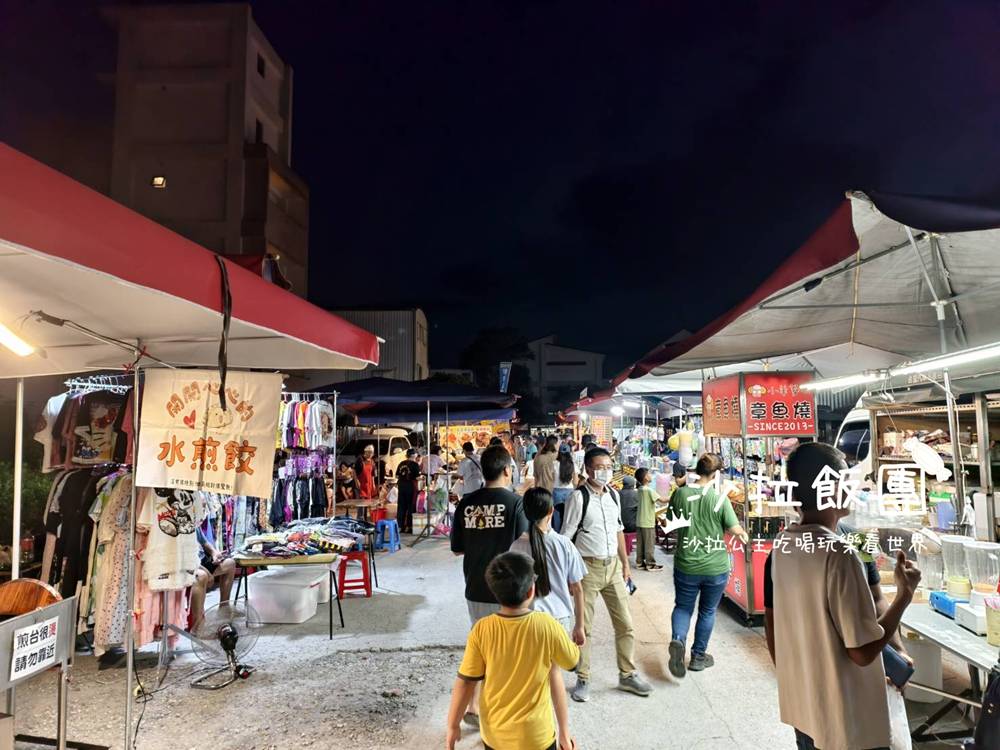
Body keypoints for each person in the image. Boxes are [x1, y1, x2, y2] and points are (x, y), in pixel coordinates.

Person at [766, 442, 920, 750]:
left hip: (806, 708)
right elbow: (861, 653)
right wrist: (905, 595)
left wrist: (896, 654)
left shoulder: (783, 546)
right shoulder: (840, 555)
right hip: (846, 718)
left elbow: (774, 632)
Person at [446, 551, 579, 750]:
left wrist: (452, 725)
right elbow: (572, 662)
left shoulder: (482, 629)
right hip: (537, 736)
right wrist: (564, 733)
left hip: (495, 737)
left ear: (494, 591)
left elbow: (466, 682)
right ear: (530, 591)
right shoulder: (547, 625)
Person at [560, 447, 653, 702]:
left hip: (613, 568)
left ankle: (627, 674)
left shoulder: (613, 495)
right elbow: (567, 537)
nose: (605, 471)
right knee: (584, 628)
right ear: (588, 470)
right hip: (587, 569)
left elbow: (618, 531)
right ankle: (583, 678)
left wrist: (625, 564)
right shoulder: (578, 498)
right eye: (600, 467)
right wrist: (570, 574)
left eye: (608, 466)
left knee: (625, 623)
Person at [450, 445, 530, 726]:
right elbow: (524, 539)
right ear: (508, 470)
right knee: (507, 651)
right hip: (507, 587)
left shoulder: (465, 504)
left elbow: (457, 549)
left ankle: (474, 705)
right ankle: (499, 710)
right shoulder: (516, 503)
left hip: (474, 584)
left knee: (481, 645)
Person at [667, 453, 748, 677]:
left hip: (686, 564)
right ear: (716, 474)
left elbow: (670, 523)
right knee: (707, 611)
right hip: (715, 567)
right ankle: (698, 657)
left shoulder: (681, 494)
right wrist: (743, 534)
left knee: (683, 607)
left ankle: (678, 640)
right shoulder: (719, 498)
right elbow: (734, 529)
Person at [512, 488, 587, 644]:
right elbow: (578, 589)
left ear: (525, 512)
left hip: (527, 619)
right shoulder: (564, 544)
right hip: (558, 618)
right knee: (554, 669)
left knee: (532, 667)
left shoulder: (516, 547)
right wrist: (579, 626)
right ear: (551, 511)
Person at [191, 527, 236, 630]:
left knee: (230, 563)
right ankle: (198, 624)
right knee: (202, 576)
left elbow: (205, 543)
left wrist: (215, 554)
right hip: (189, 565)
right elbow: (186, 559)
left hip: (201, 560)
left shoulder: (194, 522)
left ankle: (223, 608)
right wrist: (208, 573)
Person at [634, 468, 662, 571]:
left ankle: (640, 563)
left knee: (640, 544)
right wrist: (677, 495)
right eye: (649, 474)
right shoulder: (649, 490)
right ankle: (650, 564)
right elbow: (662, 501)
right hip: (648, 521)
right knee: (649, 544)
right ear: (645, 477)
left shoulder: (640, 489)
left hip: (640, 521)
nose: (651, 476)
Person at [395, 448, 423, 534]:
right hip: (410, 487)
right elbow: (418, 477)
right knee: (411, 506)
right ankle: (409, 526)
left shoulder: (401, 463)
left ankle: (400, 526)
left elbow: (396, 476)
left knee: (401, 506)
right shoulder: (415, 464)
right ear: (413, 455)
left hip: (401, 486)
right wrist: (422, 478)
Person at [552, 444, 578, 532]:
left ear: (559, 453)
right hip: (569, 492)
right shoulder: (572, 465)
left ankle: (557, 533)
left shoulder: (554, 463)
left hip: (556, 492)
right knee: (568, 515)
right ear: (569, 453)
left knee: (556, 516)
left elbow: (550, 479)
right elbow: (575, 481)